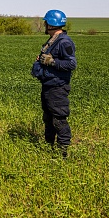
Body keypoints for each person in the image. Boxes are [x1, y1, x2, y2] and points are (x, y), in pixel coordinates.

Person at [31, 9, 77, 158]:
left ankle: (63, 153)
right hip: (48, 85)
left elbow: (71, 64)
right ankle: (48, 147)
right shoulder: (53, 40)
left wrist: (51, 62)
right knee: (48, 118)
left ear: (51, 24)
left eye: (46, 22)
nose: (44, 25)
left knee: (58, 119)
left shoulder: (64, 42)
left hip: (58, 87)